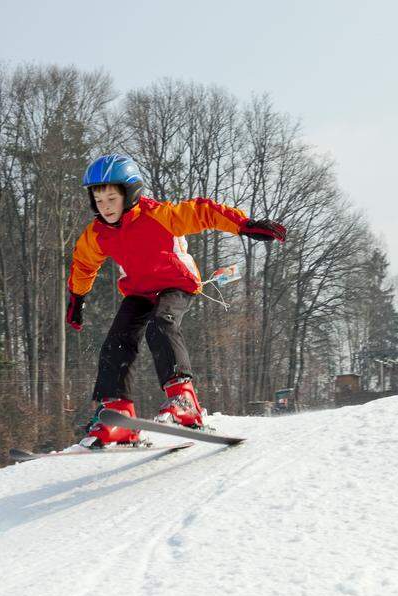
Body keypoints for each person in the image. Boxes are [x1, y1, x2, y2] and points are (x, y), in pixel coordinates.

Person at [66, 154, 286, 447]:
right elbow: (83, 263)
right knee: (117, 340)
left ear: (129, 194)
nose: (105, 207)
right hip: (139, 291)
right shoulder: (97, 234)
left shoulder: (159, 215)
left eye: (111, 199)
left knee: (161, 325)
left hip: (177, 284)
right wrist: (77, 296)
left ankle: (185, 400)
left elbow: (204, 212)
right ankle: (118, 411)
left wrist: (245, 225)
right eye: (99, 200)